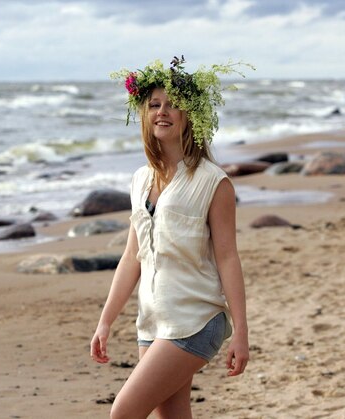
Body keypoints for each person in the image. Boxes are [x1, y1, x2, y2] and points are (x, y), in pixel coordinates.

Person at [90, 56, 250, 419]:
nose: (163, 112)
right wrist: (106, 320)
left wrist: (241, 332)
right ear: (144, 114)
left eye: (174, 105)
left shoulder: (213, 182)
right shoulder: (139, 180)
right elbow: (132, 257)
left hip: (195, 319)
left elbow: (228, 257)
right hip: (152, 322)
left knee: (123, 412)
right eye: (154, 105)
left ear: (190, 114)